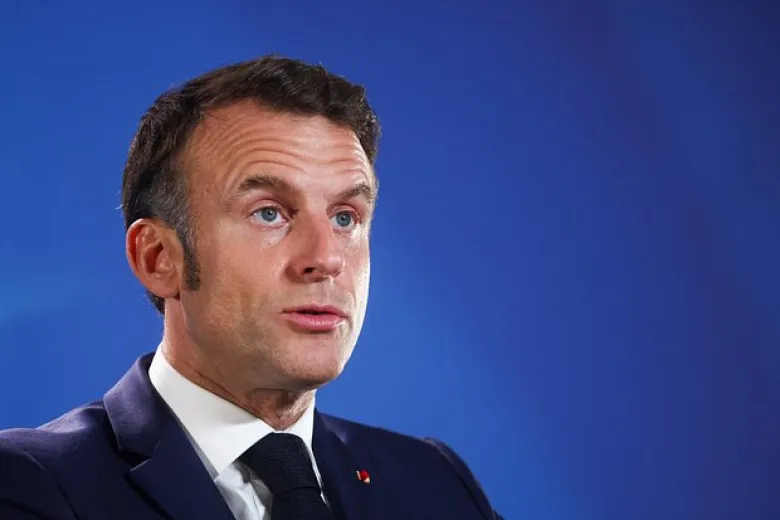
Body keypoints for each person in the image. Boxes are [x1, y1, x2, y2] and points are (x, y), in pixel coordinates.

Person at [0, 55, 504, 520]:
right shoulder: (29, 485)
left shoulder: (437, 485)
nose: (326, 259)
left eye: (345, 217)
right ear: (158, 258)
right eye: (269, 213)